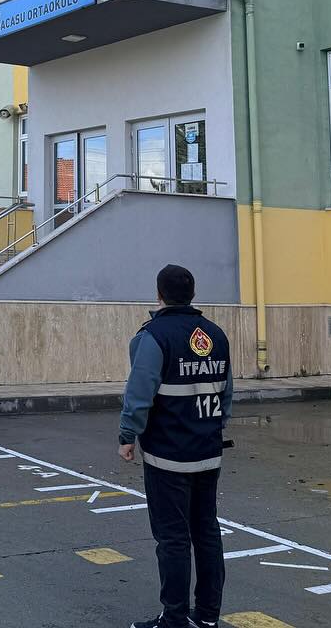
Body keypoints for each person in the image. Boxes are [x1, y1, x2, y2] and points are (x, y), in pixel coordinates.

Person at [119, 264, 232, 628]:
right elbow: (226, 394)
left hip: (168, 457)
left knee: (173, 539)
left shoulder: (153, 336)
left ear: (159, 294)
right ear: (193, 294)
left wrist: (127, 435)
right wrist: (210, 427)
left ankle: (175, 618)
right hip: (208, 452)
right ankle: (209, 617)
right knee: (207, 533)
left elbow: (139, 393)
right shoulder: (216, 335)